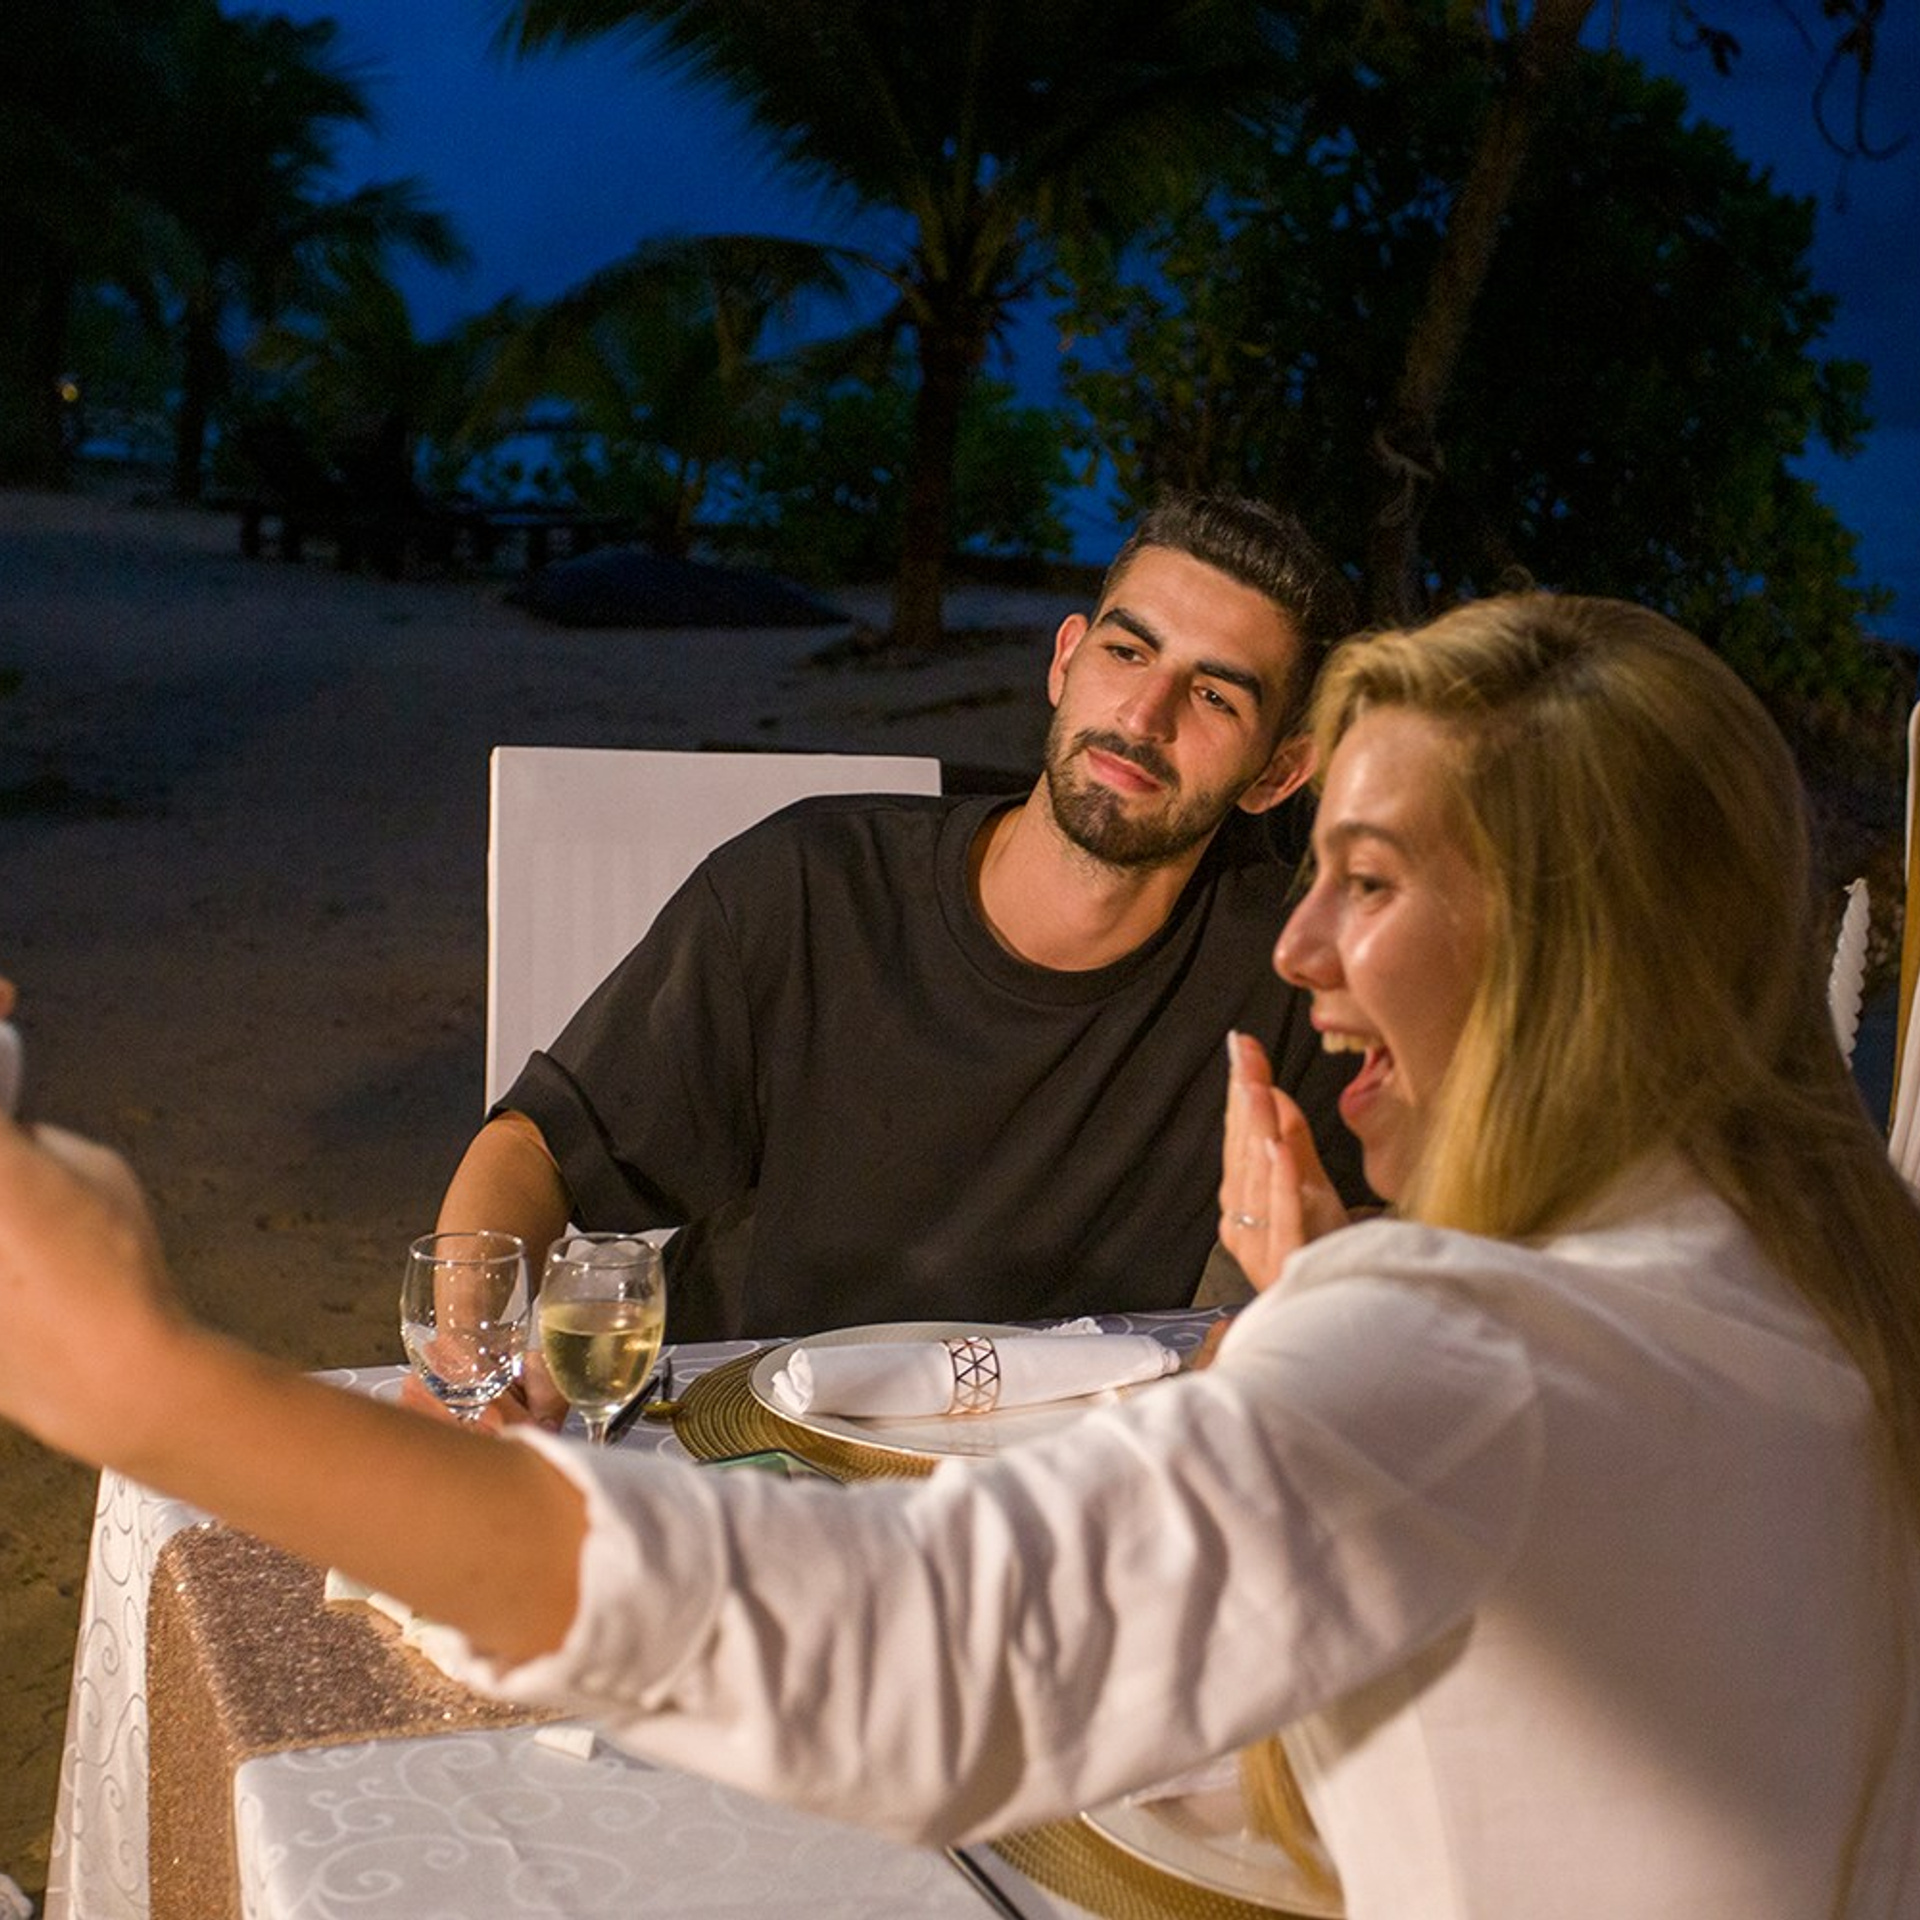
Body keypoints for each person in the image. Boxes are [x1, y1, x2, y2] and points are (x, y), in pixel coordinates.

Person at [5, 593, 1918, 1915]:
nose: (1307, 949)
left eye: (1374, 878)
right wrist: (1340, 1313)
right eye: (1314, 871)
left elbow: (913, 1648)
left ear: (1576, 942)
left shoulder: (1482, 1360)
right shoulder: (1833, 1280)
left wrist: (142, 1384)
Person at [439, 491, 1369, 1346]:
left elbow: (1387, 1239)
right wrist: (475, 1358)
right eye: (1128, 652)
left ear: (1279, 774)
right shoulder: (811, 887)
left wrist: (1264, 1342)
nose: (1145, 713)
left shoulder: (1290, 959)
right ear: (1065, 660)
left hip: (1045, 1474)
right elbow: (531, 1151)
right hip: (733, 1436)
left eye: (1214, 695)